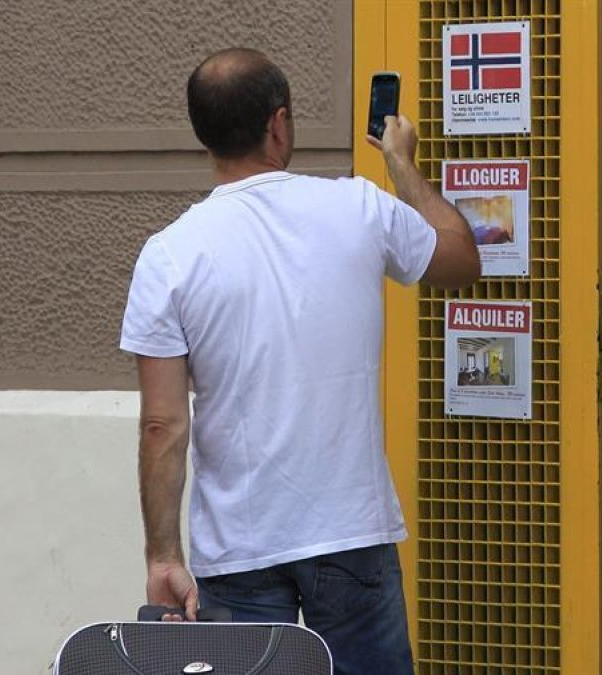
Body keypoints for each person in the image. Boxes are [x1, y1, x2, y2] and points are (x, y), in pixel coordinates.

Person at [119, 48, 479, 674]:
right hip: (350, 535)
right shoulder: (361, 208)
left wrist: (162, 557)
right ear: (278, 123)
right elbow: (460, 259)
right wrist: (402, 166)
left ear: (203, 133)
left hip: (239, 549)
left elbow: (163, 426)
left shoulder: (168, 255)